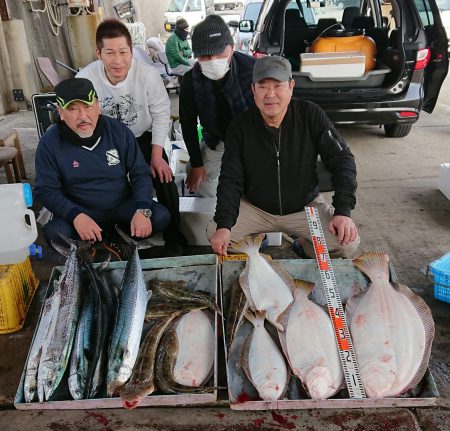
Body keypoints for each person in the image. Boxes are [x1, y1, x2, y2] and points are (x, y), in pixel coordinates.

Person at [209, 56, 360, 259]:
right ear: (253, 90)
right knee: (215, 233)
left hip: (305, 207)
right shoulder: (240, 126)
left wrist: (342, 211)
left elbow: (343, 160)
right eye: (262, 87)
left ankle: (305, 244)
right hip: (256, 207)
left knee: (346, 244)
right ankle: (256, 242)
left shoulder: (310, 115)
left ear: (291, 86)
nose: (270, 94)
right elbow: (230, 178)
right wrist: (225, 224)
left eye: (278, 85)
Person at [77, 19, 187, 256]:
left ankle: (174, 235)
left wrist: (157, 155)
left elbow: (161, 115)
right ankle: (106, 231)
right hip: (103, 142)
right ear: (99, 53)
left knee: (164, 176)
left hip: (142, 137)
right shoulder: (85, 78)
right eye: (110, 53)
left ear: (131, 51)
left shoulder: (147, 75)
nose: (118, 60)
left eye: (123, 52)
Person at [35, 78, 170, 247]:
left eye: (88, 107)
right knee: (56, 233)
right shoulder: (50, 142)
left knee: (160, 216)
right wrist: (75, 215)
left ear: (98, 106)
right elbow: (46, 189)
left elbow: (140, 173)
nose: (83, 116)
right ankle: (94, 241)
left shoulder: (118, 132)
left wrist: (142, 209)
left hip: (120, 205)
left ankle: (115, 238)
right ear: (60, 112)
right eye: (73, 109)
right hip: (81, 210)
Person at [179, 14, 256, 197]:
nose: (213, 59)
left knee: (263, 181)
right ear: (196, 56)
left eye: (219, 52)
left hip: (255, 138)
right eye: (205, 55)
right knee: (195, 175)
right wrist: (197, 164)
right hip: (218, 139)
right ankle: (214, 216)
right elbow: (188, 124)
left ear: (232, 47)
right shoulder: (191, 80)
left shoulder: (253, 70)